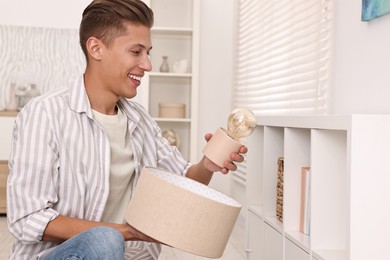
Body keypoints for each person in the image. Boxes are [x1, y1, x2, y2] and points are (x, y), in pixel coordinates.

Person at [6, 0, 247, 259]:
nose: (147, 64)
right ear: (96, 48)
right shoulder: (45, 114)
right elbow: (27, 218)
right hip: (57, 254)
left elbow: (183, 182)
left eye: (148, 53)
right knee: (105, 240)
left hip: (125, 255)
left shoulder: (140, 120)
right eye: (136, 52)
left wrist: (207, 165)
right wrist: (123, 232)